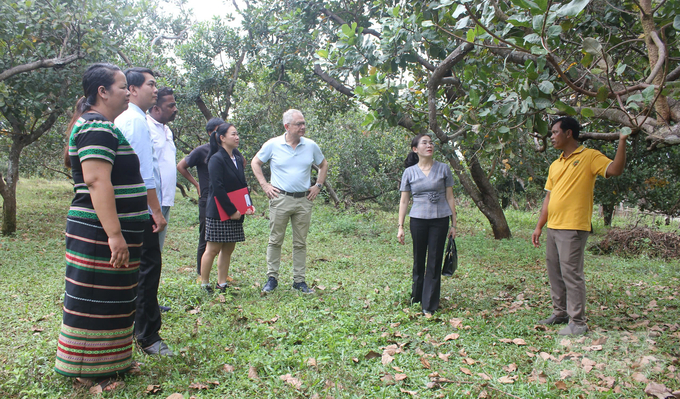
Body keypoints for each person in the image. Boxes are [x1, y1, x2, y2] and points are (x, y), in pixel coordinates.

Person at [55, 63, 147, 389]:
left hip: (109, 231)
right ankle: (87, 370)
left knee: (115, 299)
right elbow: (96, 182)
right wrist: (114, 234)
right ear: (103, 92)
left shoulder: (102, 126)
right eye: (123, 87)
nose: (128, 92)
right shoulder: (96, 128)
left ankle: (113, 364)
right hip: (98, 233)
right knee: (92, 299)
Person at [532, 116, 628, 336]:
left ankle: (578, 322)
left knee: (571, 274)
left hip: (573, 227)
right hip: (553, 227)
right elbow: (548, 198)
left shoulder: (589, 156)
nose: (552, 136)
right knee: (555, 272)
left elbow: (615, 170)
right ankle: (560, 313)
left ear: (569, 133)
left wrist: (622, 140)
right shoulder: (555, 164)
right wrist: (539, 226)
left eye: (556, 132)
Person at [115, 67, 172, 356]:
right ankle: (148, 336)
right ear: (134, 89)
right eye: (150, 84)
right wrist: (156, 212)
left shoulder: (131, 119)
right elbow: (143, 173)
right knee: (149, 269)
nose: (155, 90)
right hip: (141, 209)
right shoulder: (135, 122)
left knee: (141, 270)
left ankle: (138, 330)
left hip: (134, 207)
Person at [252, 109, 328, 294]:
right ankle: (272, 278)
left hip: (303, 200)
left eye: (303, 123)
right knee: (275, 240)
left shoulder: (310, 146)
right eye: (298, 124)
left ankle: (299, 281)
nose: (303, 127)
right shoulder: (273, 144)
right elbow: (256, 162)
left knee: (300, 242)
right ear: (287, 126)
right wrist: (264, 185)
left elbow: (323, 164)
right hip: (280, 199)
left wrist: (318, 185)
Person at [397, 134, 457, 316]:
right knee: (419, 259)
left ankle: (429, 304)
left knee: (434, 260)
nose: (429, 145)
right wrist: (400, 226)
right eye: (424, 143)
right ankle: (416, 298)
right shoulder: (409, 172)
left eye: (431, 143)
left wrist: (454, 224)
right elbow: (404, 201)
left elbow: (450, 197)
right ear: (415, 149)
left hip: (440, 220)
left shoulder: (444, 169)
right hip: (418, 220)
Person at [177, 117, 244, 279]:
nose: (235, 137)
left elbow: (241, 174)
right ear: (214, 134)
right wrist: (197, 184)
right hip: (211, 200)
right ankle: (203, 276)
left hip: (232, 203)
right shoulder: (207, 154)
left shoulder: (234, 154)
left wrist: (243, 203)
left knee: (227, 245)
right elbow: (181, 166)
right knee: (208, 240)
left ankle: (222, 278)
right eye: (230, 133)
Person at [200, 123, 254, 293]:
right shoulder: (216, 159)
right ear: (222, 138)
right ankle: (205, 283)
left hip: (237, 210)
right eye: (233, 134)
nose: (237, 137)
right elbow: (217, 188)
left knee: (229, 248)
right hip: (219, 211)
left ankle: (222, 283)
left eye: (237, 134)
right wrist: (231, 211)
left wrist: (248, 204)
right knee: (213, 248)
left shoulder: (237, 159)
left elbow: (242, 184)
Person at [147, 87, 178, 252]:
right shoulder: (145, 127)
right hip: (151, 201)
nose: (175, 109)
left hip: (166, 199)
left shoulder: (167, 130)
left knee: (156, 251)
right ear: (156, 108)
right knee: (148, 253)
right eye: (171, 106)